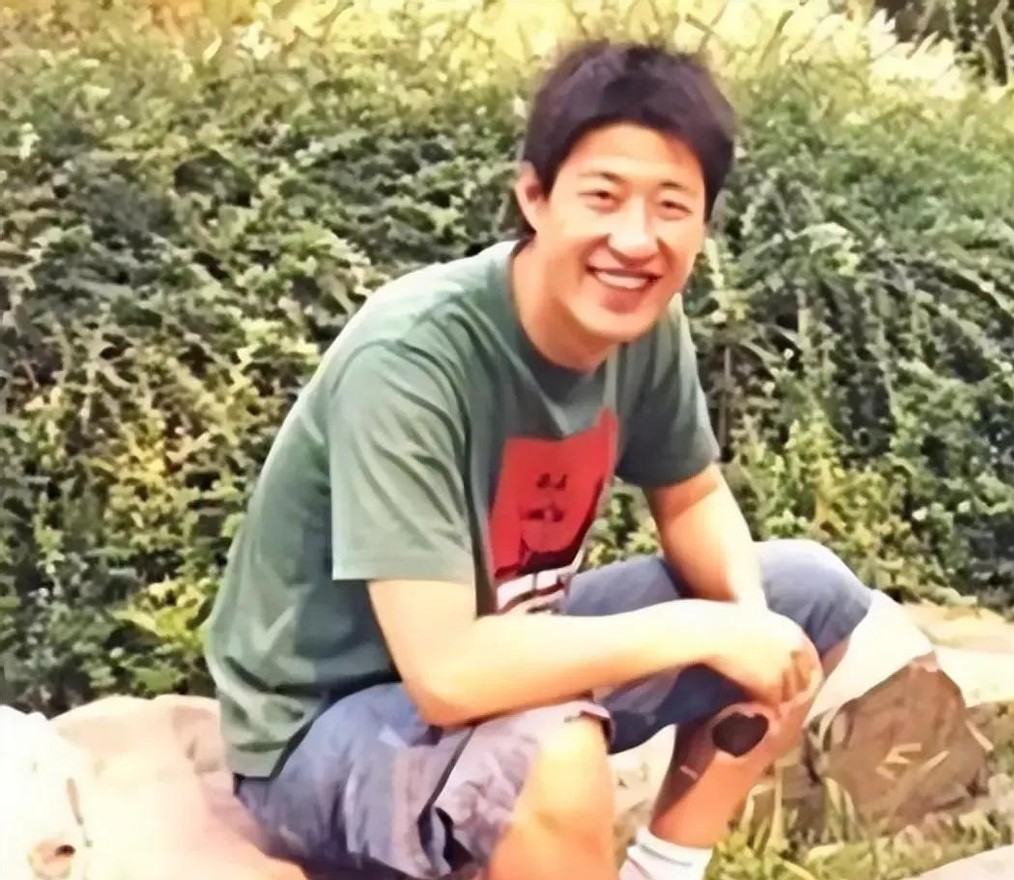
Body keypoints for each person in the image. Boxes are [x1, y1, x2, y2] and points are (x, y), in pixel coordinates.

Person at [202, 37, 875, 880]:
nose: (635, 240)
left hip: (508, 648)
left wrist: (750, 629)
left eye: (671, 205)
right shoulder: (411, 359)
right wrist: (699, 629)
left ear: (705, 222)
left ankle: (664, 867)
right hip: (325, 727)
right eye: (603, 197)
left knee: (808, 597)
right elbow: (447, 674)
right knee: (551, 754)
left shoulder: (642, 325)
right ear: (534, 197)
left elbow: (693, 497)